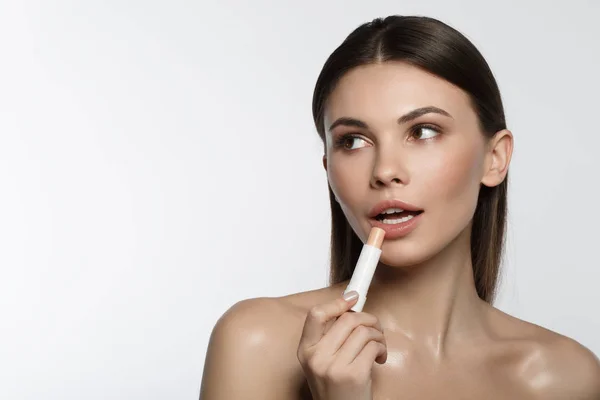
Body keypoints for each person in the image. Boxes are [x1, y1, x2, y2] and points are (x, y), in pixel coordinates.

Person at [199, 15, 600, 399]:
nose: (385, 171)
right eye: (352, 141)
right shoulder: (256, 344)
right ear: (329, 168)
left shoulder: (563, 377)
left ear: (495, 158)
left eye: (423, 131)